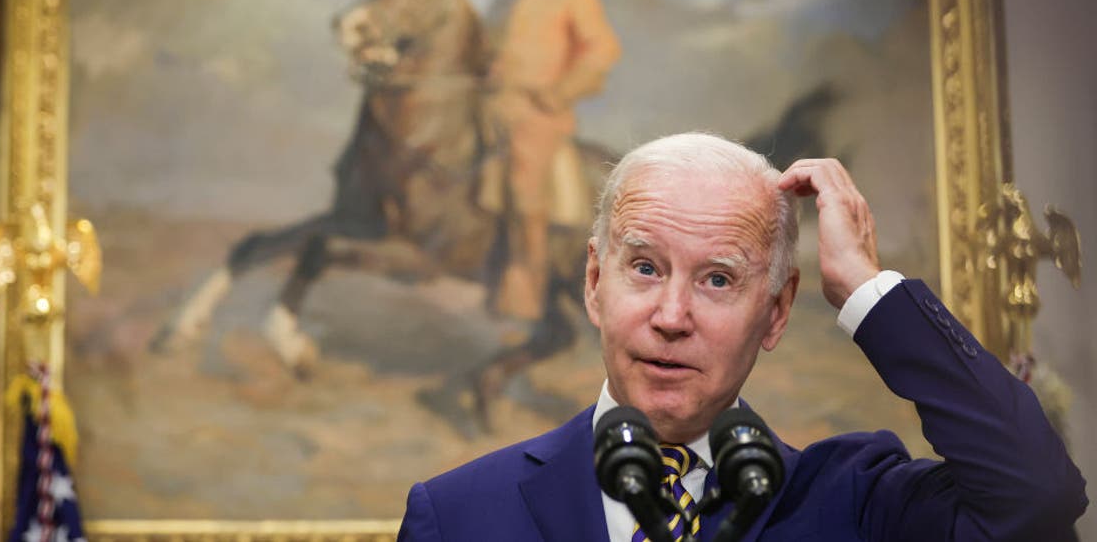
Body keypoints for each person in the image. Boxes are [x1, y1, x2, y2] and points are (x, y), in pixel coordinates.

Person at [398, 132, 1088, 541]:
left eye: (718, 280)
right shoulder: (458, 515)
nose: (672, 314)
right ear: (592, 281)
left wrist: (866, 290)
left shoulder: (852, 504)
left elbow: (1038, 496)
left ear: (778, 311)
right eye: (644, 267)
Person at [480, 0, 621, 322]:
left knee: (525, 192)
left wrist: (560, 92)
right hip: (491, 109)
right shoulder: (502, 3)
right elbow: (486, 52)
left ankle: (526, 296)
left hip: (539, 115)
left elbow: (602, 50)